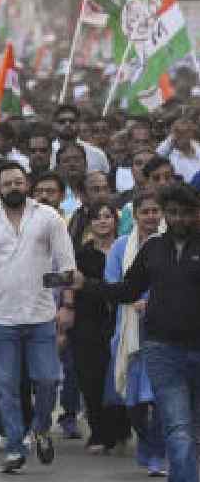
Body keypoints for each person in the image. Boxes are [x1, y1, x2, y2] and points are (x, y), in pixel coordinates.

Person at [72, 183, 200, 482]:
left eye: (186, 214)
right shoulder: (153, 248)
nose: (179, 219)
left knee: (192, 429)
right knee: (178, 427)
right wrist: (86, 285)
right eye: (173, 213)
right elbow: (127, 289)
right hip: (162, 350)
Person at [0, 161, 76, 473]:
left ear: (27, 185)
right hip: (1, 317)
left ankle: (40, 428)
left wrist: (63, 301)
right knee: (6, 386)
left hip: (42, 316)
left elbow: (65, 268)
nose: (13, 187)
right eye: (7, 183)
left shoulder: (49, 217)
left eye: (18, 182)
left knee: (48, 380)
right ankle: (14, 448)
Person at [102, 190, 168, 477]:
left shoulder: (168, 245)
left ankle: (158, 453)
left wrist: (152, 301)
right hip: (127, 329)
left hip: (162, 329)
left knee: (160, 398)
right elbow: (112, 282)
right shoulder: (120, 246)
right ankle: (145, 439)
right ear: (136, 215)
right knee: (133, 403)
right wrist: (133, 301)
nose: (151, 217)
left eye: (156, 211)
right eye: (146, 211)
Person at [70, 201, 130, 454]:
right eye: (97, 217)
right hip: (88, 321)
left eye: (108, 216)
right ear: (90, 223)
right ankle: (98, 432)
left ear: (116, 221)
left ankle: (121, 430)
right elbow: (71, 286)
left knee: (119, 375)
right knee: (91, 378)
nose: (103, 221)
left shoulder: (127, 250)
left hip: (120, 319)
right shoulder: (81, 254)